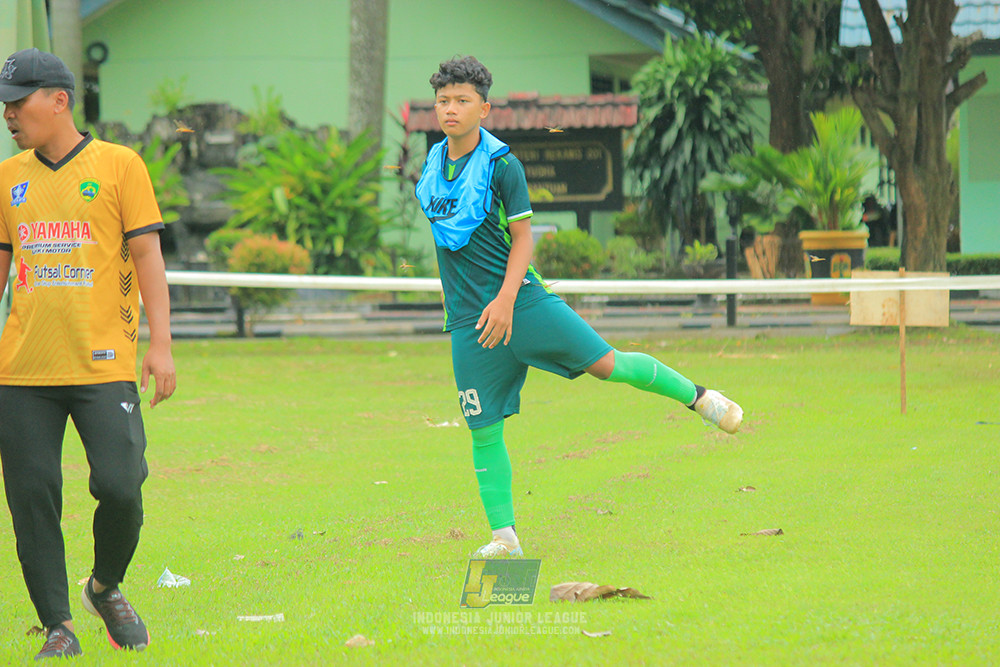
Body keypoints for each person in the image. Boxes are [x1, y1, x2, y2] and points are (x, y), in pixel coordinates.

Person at [415, 56, 743, 559]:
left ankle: (700, 398)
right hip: (469, 321)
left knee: (608, 365)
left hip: (520, 302)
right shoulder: (433, 165)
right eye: (443, 100)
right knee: (483, 430)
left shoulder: (504, 166)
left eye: (462, 100)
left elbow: (523, 241)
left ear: (485, 107)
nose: (451, 109)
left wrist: (505, 301)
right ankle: (505, 540)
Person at [0, 48, 176, 660]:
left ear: (59, 99)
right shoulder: (7, 177)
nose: (9, 115)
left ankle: (104, 586)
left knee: (124, 485)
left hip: (104, 365)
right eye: (5, 106)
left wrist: (162, 343)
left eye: (18, 103)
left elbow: (148, 256)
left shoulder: (120, 165)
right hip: (21, 371)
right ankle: (58, 625)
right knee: (32, 495)